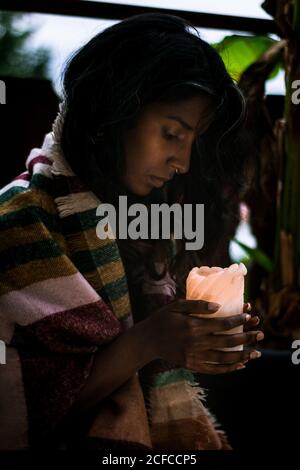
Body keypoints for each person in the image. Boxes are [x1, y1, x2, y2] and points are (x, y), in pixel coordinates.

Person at [0, 13, 263, 451]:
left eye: (192, 143)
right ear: (112, 112)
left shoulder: (149, 228)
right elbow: (21, 414)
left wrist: (203, 341)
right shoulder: (17, 226)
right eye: (172, 133)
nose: (183, 163)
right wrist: (149, 340)